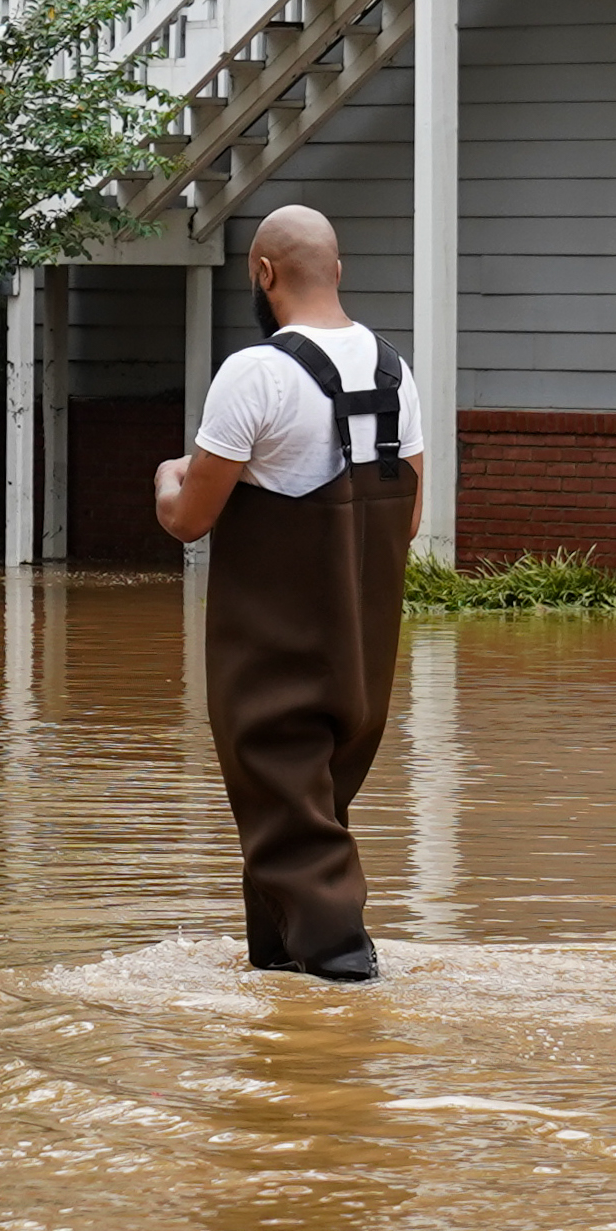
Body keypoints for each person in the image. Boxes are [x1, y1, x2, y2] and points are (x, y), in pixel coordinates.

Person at [152, 204, 414, 982]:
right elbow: (407, 514)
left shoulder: (254, 372)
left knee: (288, 812)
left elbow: (190, 519)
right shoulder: (396, 370)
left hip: (275, 647)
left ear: (262, 274)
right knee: (301, 811)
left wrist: (167, 476)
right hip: (364, 652)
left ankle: (344, 971)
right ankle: (278, 974)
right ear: (336, 269)